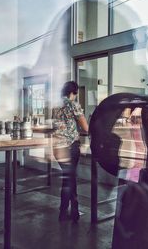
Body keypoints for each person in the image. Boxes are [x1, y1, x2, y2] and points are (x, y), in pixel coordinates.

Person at [52, 81, 88, 222]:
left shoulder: (56, 106)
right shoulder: (73, 105)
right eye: (76, 93)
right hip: (70, 147)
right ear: (73, 92)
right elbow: (85, 127)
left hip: (57, 147)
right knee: (69, 180)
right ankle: (64, 213)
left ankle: (74, 211)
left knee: (69, 178)